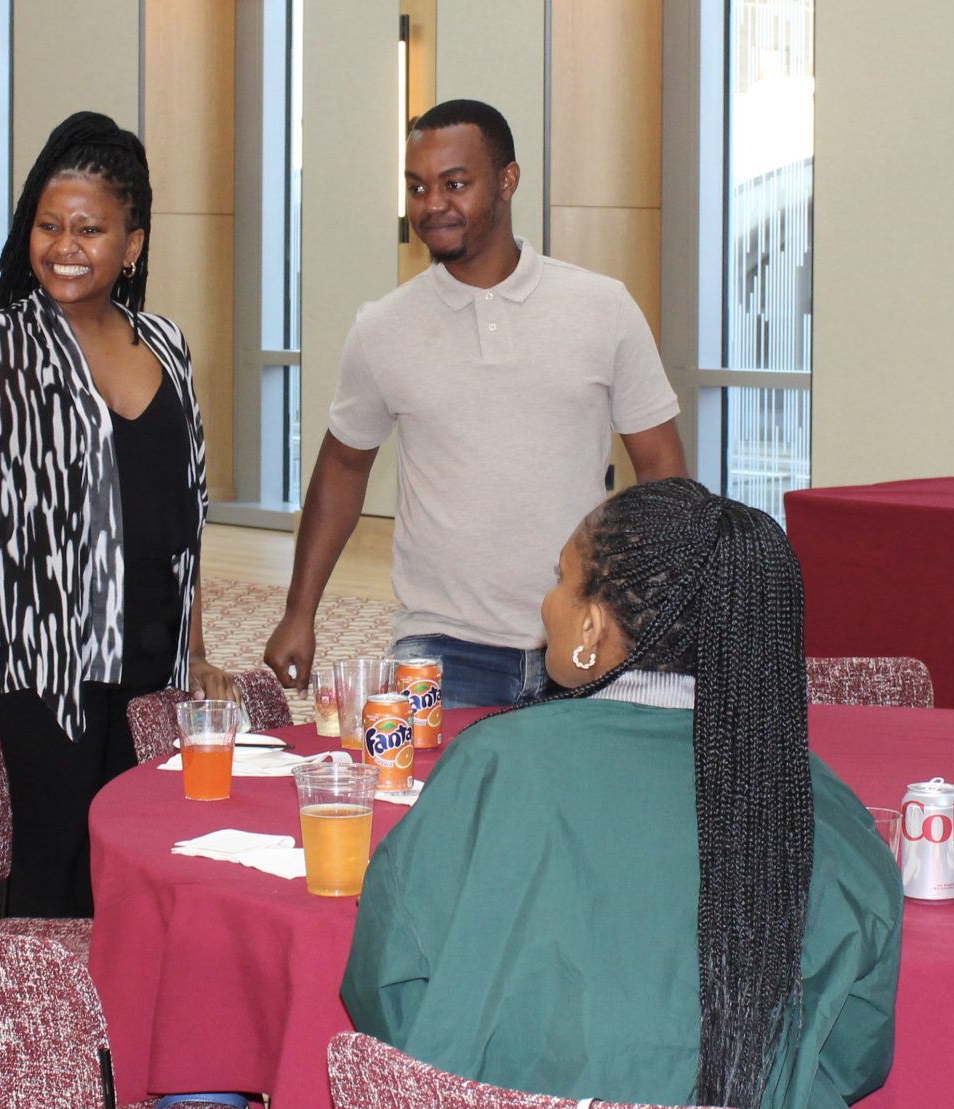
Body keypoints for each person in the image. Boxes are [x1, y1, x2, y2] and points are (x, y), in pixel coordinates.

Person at [341, 478, 921, 1109]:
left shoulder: (496, 765)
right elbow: (852, 1055)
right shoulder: (821, 804)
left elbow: (384, 988)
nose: (546, 602)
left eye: (560, 578)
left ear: (591, 623)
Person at [264, 99, 689, 708]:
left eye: (455, 183)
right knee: (428, 799)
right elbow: (342, 467)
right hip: (440, 643)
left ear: (507, 181)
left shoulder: (602, 307)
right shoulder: (382, 328)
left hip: (585, 639)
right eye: (417, 186)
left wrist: (651, 614)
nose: (431, 203)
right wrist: (298, 611)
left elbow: (663, 469)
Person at [0, 112, 234, 920]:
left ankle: (119, 1045)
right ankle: (33, 1044)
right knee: (48, 885)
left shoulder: (165, 343)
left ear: (132, 244)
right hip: (44, 671)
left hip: (149, 664)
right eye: (49, 225)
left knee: (136, 879)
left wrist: (195, 653)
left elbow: (186, 513)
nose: (64, 245)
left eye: (90, 229)